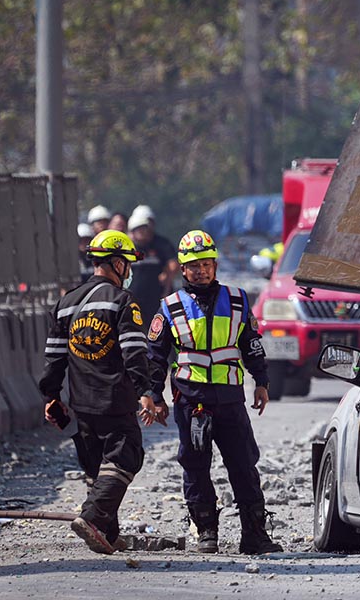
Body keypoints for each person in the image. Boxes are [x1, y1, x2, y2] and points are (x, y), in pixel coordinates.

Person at [146, 229, 282, 555]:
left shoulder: (237, 300)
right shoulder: (170, 307)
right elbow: (155, 358)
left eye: (206, 264)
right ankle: (207, 533)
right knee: (195, 467)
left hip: (230, 399)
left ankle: (255, 536)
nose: (201, 271)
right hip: (191, 400)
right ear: (183, 269)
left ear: (215, 265)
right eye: (194, 266)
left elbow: (251, 344)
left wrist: (261, 382)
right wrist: (155, 396)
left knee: (244, 465)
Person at [38, 229, 164, 555]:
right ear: (118, 264)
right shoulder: (122, 301)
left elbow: (54, 358)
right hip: (114, 399)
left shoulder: (66, 303)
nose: (129, 270)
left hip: (81, 403)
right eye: (128, 264)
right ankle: (92, 518)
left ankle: (108, 532)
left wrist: (51, 397)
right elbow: (134, 352)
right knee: (125, 456)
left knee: (98, 468)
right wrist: (145, 391)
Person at [127, 207, 178, 328]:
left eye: (145, 228)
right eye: (138, 229)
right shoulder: (127, 248)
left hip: (156, 300)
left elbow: (173, 264)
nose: (143, 232)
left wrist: (167, 278)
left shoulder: (161, 244)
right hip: (133, 301)